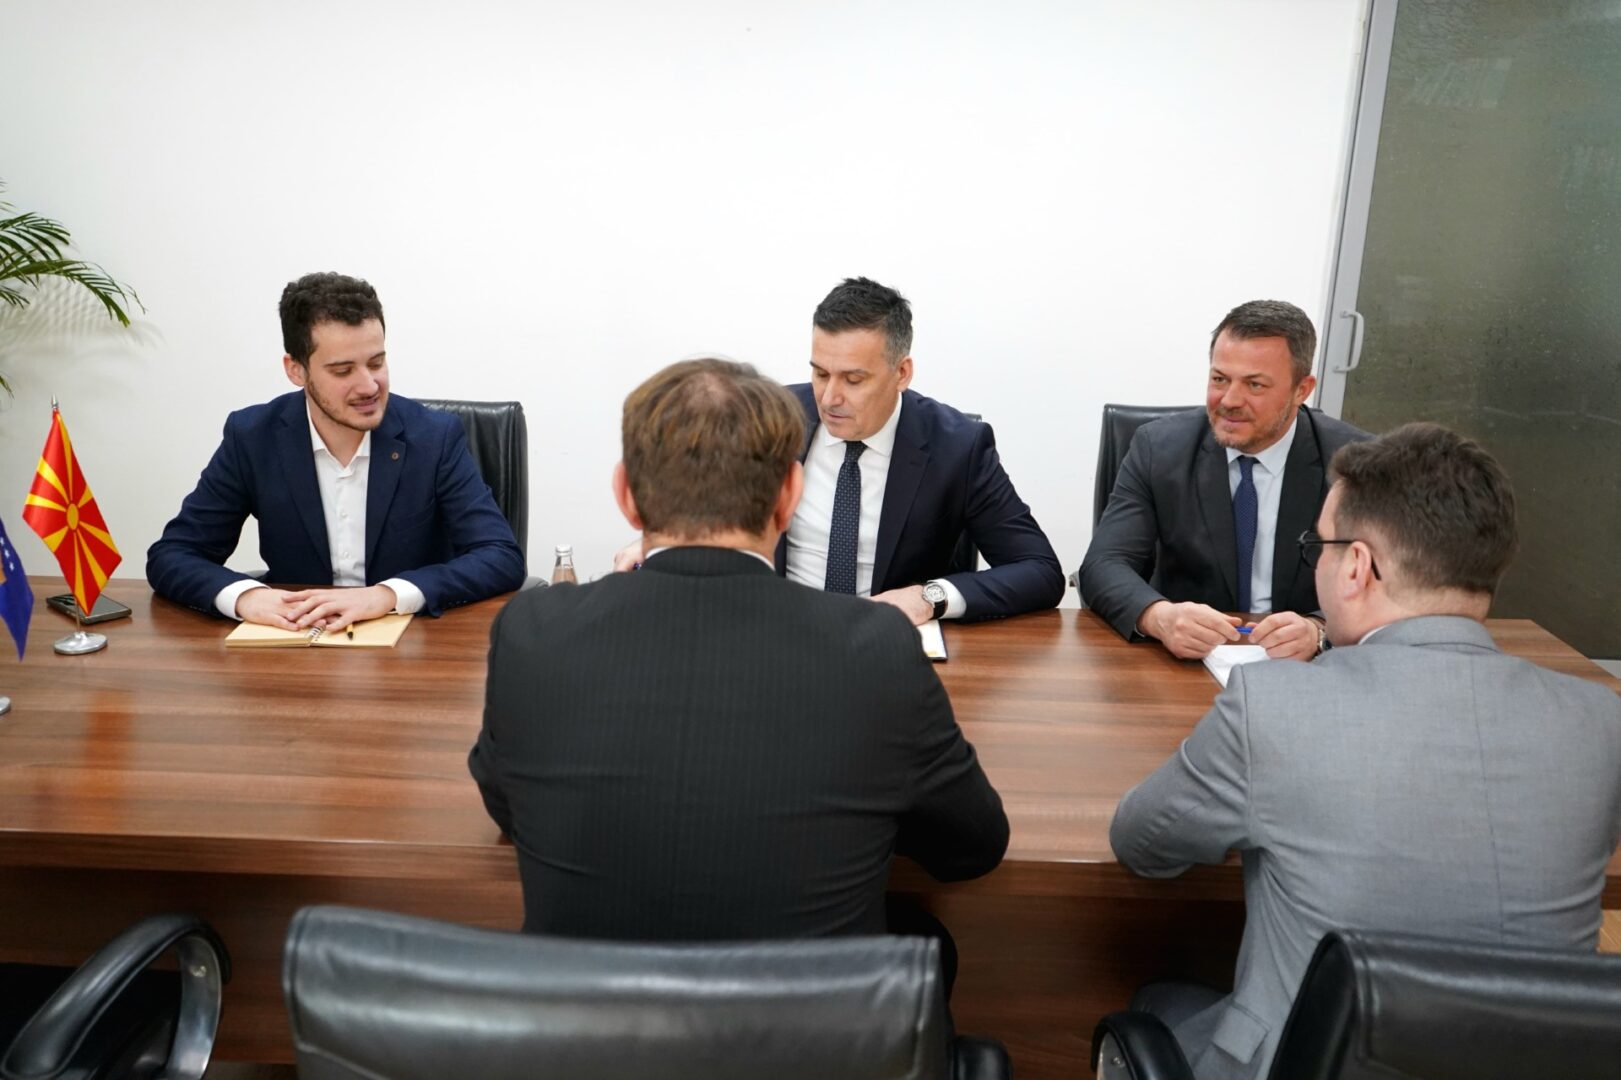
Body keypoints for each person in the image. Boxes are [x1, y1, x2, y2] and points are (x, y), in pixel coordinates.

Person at [1109, 422, 1621, 1080]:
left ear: (1356, 566)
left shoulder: (1272, 707)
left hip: (1305, 1062)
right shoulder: (1601, 722)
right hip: (1540, 1063)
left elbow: (1142, 844)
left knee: (1160, 998)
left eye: (1318, 547)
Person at [470, 357, 1008, 966]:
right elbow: (972, 847)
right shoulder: (877, 648)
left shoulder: (531, 632)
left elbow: (507, 806)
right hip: (809, 1019)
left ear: (625, 496)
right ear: (790, 495)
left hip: (584, 1015)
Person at [146, 272, 524, 629]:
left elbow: (500, 555)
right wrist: (246, 596)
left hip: (410, 646)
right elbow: (173, 554)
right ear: (296, 370)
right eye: (343, 371)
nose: (369, 386)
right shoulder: (253, 437)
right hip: (297, 644)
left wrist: (388, 595)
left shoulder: (434, 437)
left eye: (376, 363)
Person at [1078, 300, 1369, 660]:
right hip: (1188, 662)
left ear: (1302, 390)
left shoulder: (1356, 463)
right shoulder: (1160, 449)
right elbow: (1103, 565)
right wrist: (1159, 617)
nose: (1229, 400)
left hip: (1306, 666)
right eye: (1220, 379)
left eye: (1255, 385)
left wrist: (1320, 630)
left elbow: (1389, 582)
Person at [782, 276, 1063, 624]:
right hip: (780, 630)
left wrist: (929, 597)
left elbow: (1039, 570)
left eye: (853, 380)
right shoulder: (770, 419)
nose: (829, 399)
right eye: (821, 374)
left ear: (902, 373)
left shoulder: (957, 446)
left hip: (888, 637)